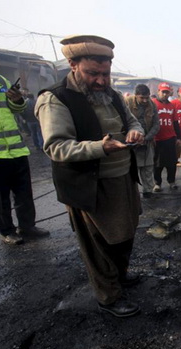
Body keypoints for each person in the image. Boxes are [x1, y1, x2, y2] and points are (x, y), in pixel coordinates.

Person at [36, 35, 145, 318]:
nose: (100, 81)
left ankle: (120, 276)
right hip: (88, 186)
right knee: (98, 245)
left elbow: (132, 121)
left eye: (105, 74)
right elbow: (56, 147)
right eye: (93, 73)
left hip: (122, 178)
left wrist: (136, 131)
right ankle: (108, 297)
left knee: (124, 234)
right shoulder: (55, 99)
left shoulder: (114, 95)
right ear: (72, 65)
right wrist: (100, 148)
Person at [0, 43, 49, 245]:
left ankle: (27, 226)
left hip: (16, 149)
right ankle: (7, 231)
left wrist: (17, 100)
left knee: (24, 193)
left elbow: (18, 110)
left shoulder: (2, 81)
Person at [125, 84, 159, 198]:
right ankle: (132, 193)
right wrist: (131, 138)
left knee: (148, 166)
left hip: (147, 141)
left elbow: (156, 124)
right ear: (135, 95)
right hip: (131, 142)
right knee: (131, 168)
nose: (145, 100)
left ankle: (148, 190)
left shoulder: (152, 105)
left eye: (147, 97)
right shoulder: (127, 103)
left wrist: (147, 138)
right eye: (142, 98)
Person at [152, 82, 181, 191]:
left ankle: (171, 181)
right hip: (157, 139)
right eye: (163, 92)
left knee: (172, 163)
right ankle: (157, 183)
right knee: (157, 163)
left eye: (167, 92)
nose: (165, 94)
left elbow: (175, 122)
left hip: (170, 138)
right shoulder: (153, 104)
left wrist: (179, 137)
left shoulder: (172, 106)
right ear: (158, 91)